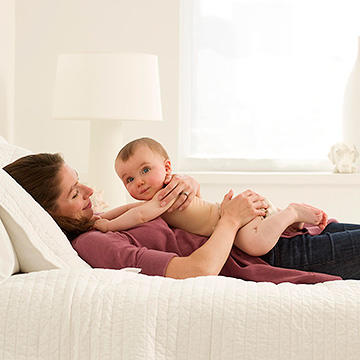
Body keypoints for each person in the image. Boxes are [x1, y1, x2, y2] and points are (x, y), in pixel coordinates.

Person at [5, 152, 360, 283]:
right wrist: (231, 219)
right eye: (73, 193)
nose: (88, 191)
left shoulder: (103, 220)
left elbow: (180, 220)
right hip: (271, 252)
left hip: (284, 234)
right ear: (46, 213)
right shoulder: (95, 243)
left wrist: (188, 188)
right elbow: (196, 270)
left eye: (78, 179)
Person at [93, 137, 329, 257]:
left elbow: (139, 215)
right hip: (231, 219)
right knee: (265, 227)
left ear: (166, 167)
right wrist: (100, 215)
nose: (139, 181)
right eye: (129, 179)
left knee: (255, 245)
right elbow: (130, 208)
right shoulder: (161, 196)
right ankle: (293, 221)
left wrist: (107, 225)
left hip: (235, 219)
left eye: (145, 170)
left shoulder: (166, 194)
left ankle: (293, 212)